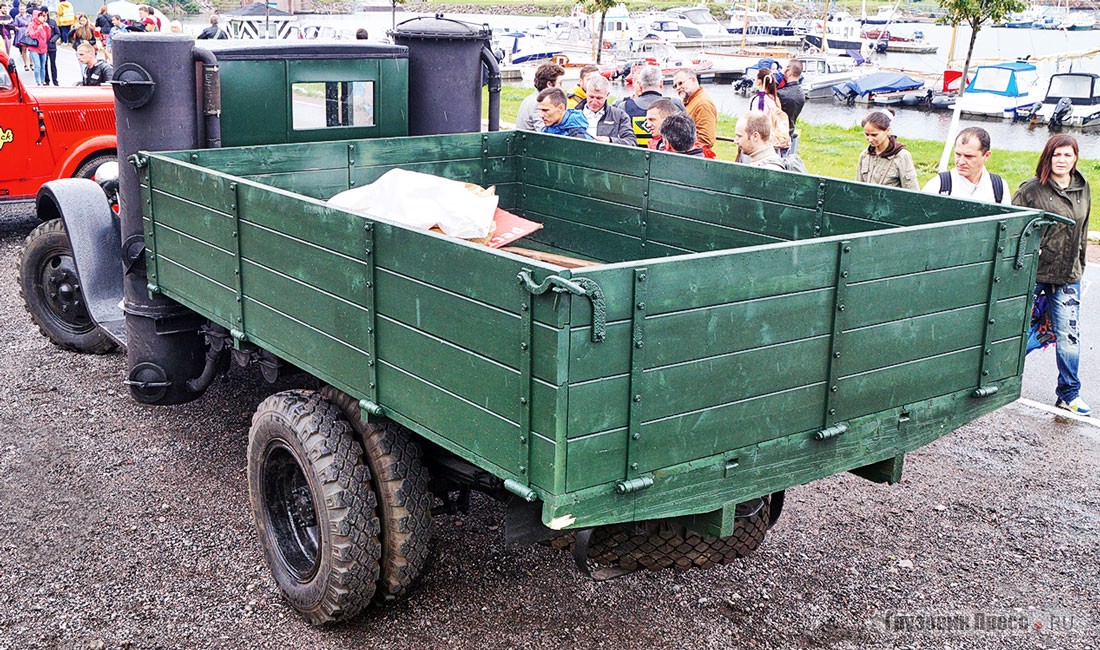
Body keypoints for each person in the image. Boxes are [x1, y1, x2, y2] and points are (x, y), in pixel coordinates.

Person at [1013, 134, 1091, 415]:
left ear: (1075, 158)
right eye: (1057, 155)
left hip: (1067, 275)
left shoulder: (1083, 188)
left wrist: (1079, 265)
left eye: (1068, 155)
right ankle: (994, 379)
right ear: (1048, 157)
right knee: (1013, 329)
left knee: (1069, 335)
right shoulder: (1031, 190)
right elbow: (1015, 228)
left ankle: (1069, 392)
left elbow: (1082, 231)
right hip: (1035, 272)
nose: (1062, 160)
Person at [921, 127, 1010, 205]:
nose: (961, 162)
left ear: (986, 156)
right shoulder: (938, 185)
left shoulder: (999, 187)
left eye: (969, 156)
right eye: (958, 154)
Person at [616, 65, 682, 148]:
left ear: (640, 86)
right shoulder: (675, 105)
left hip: (633, 157)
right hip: (666, 157)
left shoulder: (624, 107)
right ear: (661, 84)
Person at [856, 109, 918, 189]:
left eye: (874, 135)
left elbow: (912, 190)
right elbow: (858, 188)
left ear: (887, 131)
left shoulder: (902, 156)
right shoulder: (864, 155)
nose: (870, 139)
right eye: (867, 134)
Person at [574, 74, 634, 145]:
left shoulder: (619, 116)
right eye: (591, 97)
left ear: (607, 95)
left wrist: (610, 141)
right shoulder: (573, 114)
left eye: (599, 98)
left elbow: (631, 142)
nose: (594, 102)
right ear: (586, 93)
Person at [672, 69, 716, 149]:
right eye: (675, 86)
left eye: (681, 83)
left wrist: (682, 149)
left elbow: (706, 140)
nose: (678, 88)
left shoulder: (703, 104)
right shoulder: (690, 101)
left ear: (693, 80)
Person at [515, 62, 564, 132]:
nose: (561, 87)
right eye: (560, 83)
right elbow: (543, 133)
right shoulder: (538, 103)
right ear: (549, 84)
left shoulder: (530, 98)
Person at [776, 59, 805, 155]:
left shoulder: (781, 94)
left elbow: (762, 95)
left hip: (777, 136)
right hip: (789, 133)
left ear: (788, 73)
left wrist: (779, 75)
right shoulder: (801, 93)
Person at [25, 8, 49, 85]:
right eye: (41, 16)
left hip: (43, 48)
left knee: (43, 66)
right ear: (36, 17)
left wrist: (47, 28)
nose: (42, 17)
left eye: (43, 16)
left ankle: (42, 81)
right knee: (37, 66)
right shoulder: (31, 24)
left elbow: (48, 36)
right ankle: (37, 82)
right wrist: (38, 30)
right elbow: (32, 35)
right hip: (34, 48)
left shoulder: (44, 25)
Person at [41, 5, 58, 86]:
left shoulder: (52, 22)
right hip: (43, 46)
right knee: (44, 64)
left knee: (53, 64)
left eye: (43, 13)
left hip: (52, 46)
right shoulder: (40, 23)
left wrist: (53, 40)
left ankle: (55, 81)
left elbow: (58, 33)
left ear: (46, 13)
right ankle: (46, 80)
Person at [13, 4, 32, 71]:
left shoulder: (30, 16)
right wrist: (17, 28)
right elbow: (15, 25)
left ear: (26, 9)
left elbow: (32, 23)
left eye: (23, 9)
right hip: (21, 33)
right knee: (24, 50)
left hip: (29, 33)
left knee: (31, 49)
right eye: (21, 9)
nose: (22, 11)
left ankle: (31, 63)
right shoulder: (17, 17)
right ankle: (25, 64)